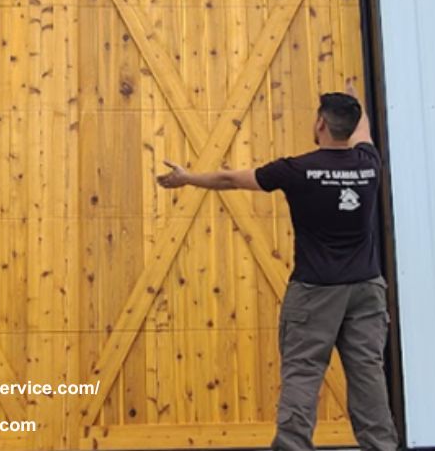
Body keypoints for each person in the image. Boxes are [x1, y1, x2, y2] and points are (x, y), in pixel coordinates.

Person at [156, 80, 398, 451]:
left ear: (320, 123)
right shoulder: (369, 164)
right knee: (368, 372)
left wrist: (187, 178)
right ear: (351, 127)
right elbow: (362, 130)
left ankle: (293, 445)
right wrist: (356, 102)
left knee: (304, 371)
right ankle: (381, 446)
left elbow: (229, 179)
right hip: (366, 289)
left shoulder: (297, 170)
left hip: (315, 290)